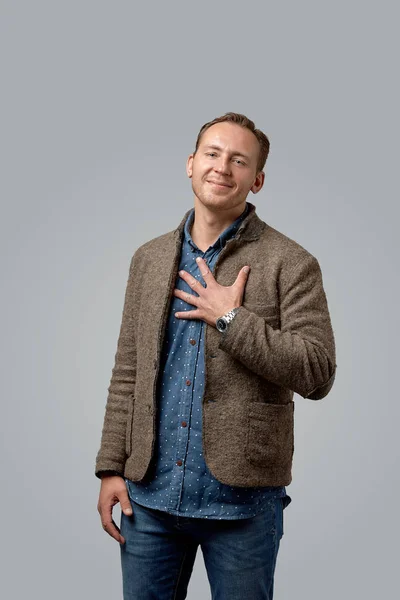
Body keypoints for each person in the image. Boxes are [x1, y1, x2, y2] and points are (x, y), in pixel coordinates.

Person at [95, 112, 337, 600]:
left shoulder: (291, 263)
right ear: (190, 163)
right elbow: (128, 370)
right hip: (148, 500)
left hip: (242, 505)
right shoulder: (149, 258)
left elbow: (317, 371)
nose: (222, 167)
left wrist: (232, 320)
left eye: (238, 160)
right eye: (212, 153)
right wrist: (110, 468)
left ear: (257, 179)